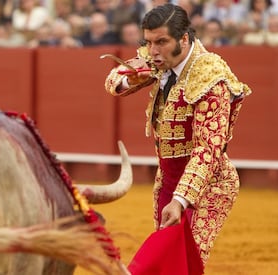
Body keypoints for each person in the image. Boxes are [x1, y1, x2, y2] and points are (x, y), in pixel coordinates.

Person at [104, 3, 251, 270]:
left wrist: (181, 200)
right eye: (148, 42)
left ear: (184, 39)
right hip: (168, 179)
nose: (153, 51)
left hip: (209, 186)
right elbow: (113, 81)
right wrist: (132, 80)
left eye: (161, 42)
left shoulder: (210, 76)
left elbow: (208, 149)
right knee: (169, 260)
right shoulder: (159, 55)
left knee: (185, 261)